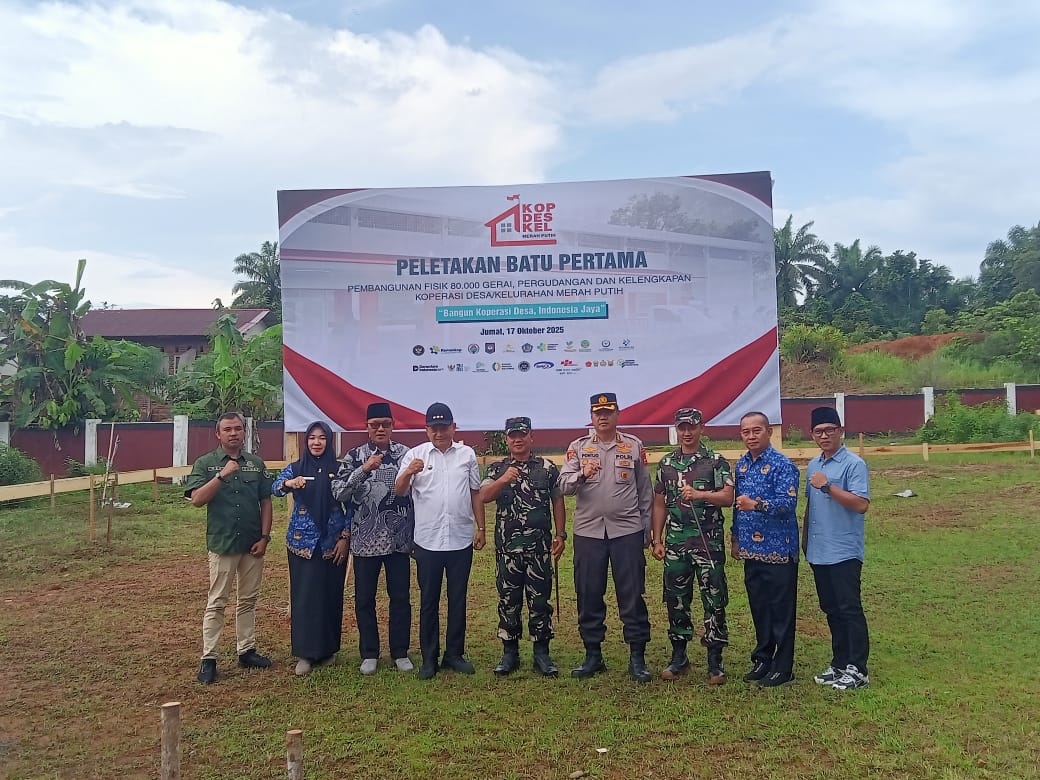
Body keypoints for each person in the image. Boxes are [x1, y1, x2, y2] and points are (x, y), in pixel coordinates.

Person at [560, 392, 654, 682]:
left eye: (608, 412)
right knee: (588, 593)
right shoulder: (578, 447)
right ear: (591, 417)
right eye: (597, 413)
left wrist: (647, 528)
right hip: (589, 532)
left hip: (627, 531)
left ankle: (637, 656)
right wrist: (582, 474)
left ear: (617, 414)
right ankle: (593, 654)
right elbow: (564, 486)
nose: (603, 417)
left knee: (632, 593)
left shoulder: (633, 445)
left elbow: (645, 490)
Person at [395, 402, 485, 680]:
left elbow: (475, 492)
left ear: (453, 427)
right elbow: (400, 491)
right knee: (429, 601)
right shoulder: (415, 455)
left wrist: (481, 527)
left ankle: (454, 654)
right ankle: (429, 658)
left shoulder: (467, 455)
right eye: (434, 428)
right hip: (428, 541)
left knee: (458, 599)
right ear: (427, 430)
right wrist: (409, 472)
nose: (439, 432)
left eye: (444, 427)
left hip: (460, 539)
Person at [184, 412, 274, 685]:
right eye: (227, 429)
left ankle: (246, 650)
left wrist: (265, 537)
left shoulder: (256, 464)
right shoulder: (206, 464)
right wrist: (221, 476)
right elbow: (197, 499)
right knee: (217, 602)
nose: (233, 433)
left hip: (252, 543)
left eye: (237, 428)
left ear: (244, 432)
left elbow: (266, 501)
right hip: (223, 543)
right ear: (218, 434)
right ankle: (209, 658)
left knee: (248, 600)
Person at [479, 416, 567, 677]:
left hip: (539, 549)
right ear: (506, 439)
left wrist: (560, 534)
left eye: (522, 434)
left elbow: (558, 501)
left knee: (539, 601)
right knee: (509, 600)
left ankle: (542, 653)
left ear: (531, 437)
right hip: (508, 551)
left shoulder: (547, 468)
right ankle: (510, 653)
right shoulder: (497, 468)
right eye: (512, 435)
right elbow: (483, 496)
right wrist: (503, 480)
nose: (517, 440)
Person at [651, 408, 734, 683]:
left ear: (702, 427)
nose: (687, 432)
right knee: (676, 598)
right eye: (682, 427)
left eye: (692, 427)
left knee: (714, 598)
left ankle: (715, 660)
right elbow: (660, 503)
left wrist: (700, 494)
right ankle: (679, 656)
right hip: (676, 542)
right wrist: (657, 539)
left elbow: (727, 498)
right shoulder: (666, 463)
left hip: (707, 542)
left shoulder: (715, 461)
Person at [332, 402, 414, 675]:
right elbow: (339, 493)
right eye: (375, 425)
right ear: (366, 427)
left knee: (400, 597)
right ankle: (369, 653)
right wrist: (364, 469)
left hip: (398, 539)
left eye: (386, 424)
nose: (380, 429)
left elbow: (418, 492)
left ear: (393, 426)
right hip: (365, 540)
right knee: (364, 599)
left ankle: (400, 652)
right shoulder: (354, 456)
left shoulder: (405, 455)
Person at [272, 421, 349, 676]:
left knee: (330, 595)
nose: (317, 442)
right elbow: (275, 488)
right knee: (304, 598)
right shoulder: (296, 468)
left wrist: (345, 537)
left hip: (332, 544)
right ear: (306, 441)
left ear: (329, 441)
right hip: (302, 543)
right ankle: (305, 653)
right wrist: (289, 484)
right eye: (312, 438)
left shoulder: (340, 469)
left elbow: (352, 505)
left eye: (322, 438)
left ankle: (328, 650)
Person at [804, 406, 872, 690]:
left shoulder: (854, 464)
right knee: (831, 609)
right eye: (818, 431)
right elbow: (810, 508)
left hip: (844, 550)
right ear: (812, 434)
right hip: (819, 550)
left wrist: (828, 487)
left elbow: (861, 504)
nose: (824, 436)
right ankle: (840, 663)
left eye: (830, 430)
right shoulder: (813, 465)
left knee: (849, 609)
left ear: (840, 431)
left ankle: (858, 669)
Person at [732, 411, 801, 688]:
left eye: (756, 430)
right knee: (760, 608)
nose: (751, 436)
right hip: (751, 549)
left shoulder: (783, 465)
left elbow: (788, 504)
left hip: (779, 550)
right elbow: (738, 507)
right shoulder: (742, 466)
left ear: (769, 432)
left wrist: (757, 505)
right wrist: (735, 538)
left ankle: (783, 667)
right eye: (746, 431)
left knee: (781, 610)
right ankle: (763, 659)